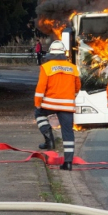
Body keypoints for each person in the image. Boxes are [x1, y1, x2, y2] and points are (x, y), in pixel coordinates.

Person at [34, 40, 81, 170]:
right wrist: (71, 95)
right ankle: (68, 162)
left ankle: (49, 138)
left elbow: (41, 87)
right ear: (63, 53)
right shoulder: (73, 67)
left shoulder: (46, 67)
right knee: (68, 132)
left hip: (49, 104)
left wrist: (38, 103)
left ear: (50, 53)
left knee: (38, 114)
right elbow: (78, 86)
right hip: (67, 105)